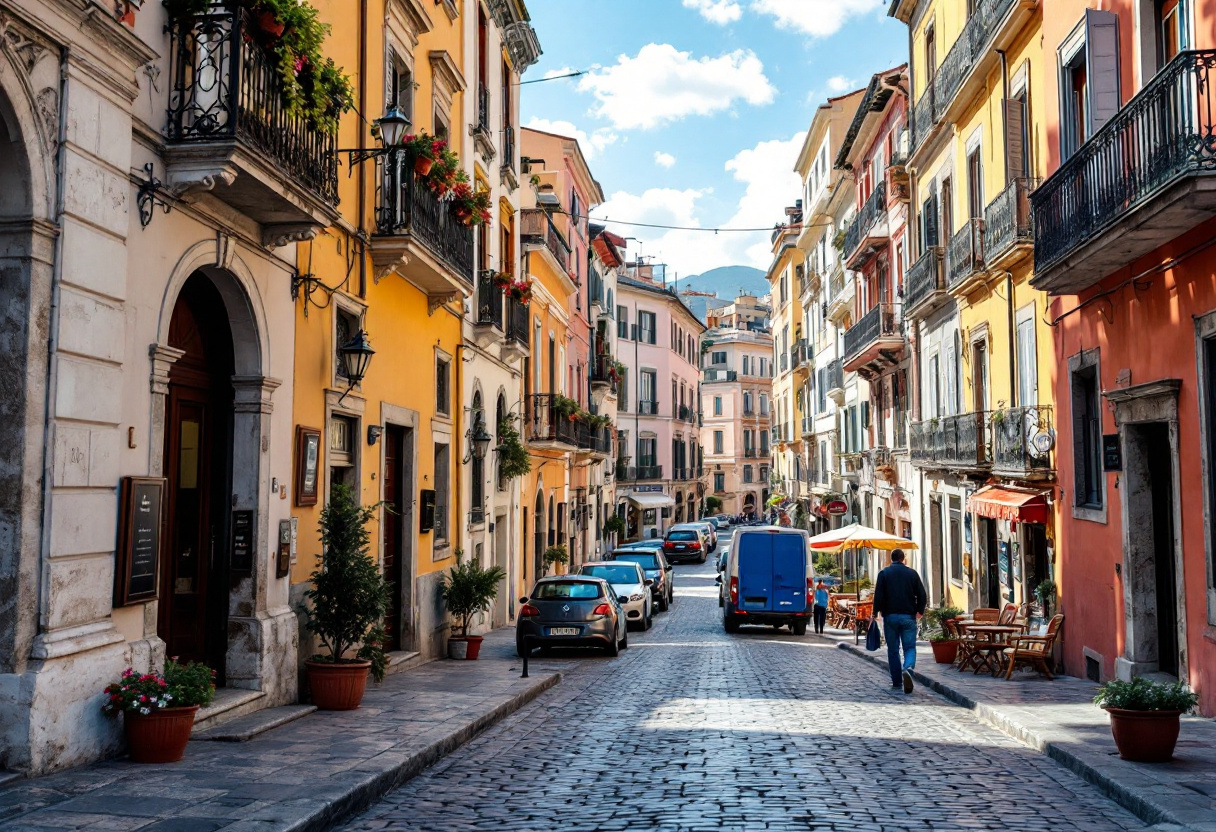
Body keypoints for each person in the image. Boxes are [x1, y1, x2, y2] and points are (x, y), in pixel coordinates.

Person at [872, 548, 926, 694]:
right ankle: (908, 668)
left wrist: (875, 612)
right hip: (908, 616)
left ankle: (897, 681)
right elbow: (922, 594)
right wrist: (920, 611)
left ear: (892, 559)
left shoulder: (884, 573)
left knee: (893, 650)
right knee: (909, 647)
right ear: (903, 559)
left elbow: (878, 595)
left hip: (890, 617)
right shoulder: (912, 573)